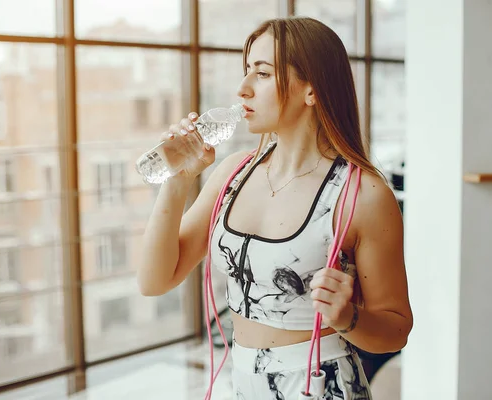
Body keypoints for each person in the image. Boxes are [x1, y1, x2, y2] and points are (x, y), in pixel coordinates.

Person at [137, 16, 413, 400]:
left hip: (321, 386)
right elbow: (154, 281)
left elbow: (396, 329)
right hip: (244, 382)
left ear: (311, 91)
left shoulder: (362, 194)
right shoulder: (232, 173)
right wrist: (178, 181)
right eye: (247, 70)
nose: (242, 89)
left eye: (262, 74)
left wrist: (347, 316)